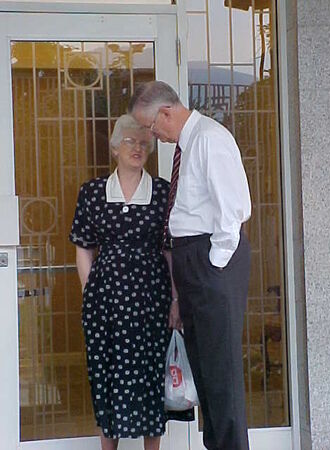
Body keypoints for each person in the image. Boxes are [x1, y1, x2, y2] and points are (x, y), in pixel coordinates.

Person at [128, 81, 252, 450]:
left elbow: (233, 210)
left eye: (151, 127)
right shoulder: (189, 144)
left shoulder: (210, 139)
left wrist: (211, 266)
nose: (154, 136)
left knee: (222, 376)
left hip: (211, 260)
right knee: (207, 376)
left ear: (166, 113)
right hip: (193, 262)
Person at [69, 114, 192, 450]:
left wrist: (175, 300)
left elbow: (170, 252)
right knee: (107, 378)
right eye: (129, 141)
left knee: (151, 379)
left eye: (143, 143)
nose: (137, 148)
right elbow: (83, 247)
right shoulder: (93, 192)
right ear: (114, 148)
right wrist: (89, 294)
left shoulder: (163, 192)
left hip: (151, 300)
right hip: (104, 303)